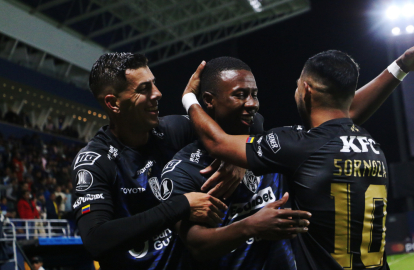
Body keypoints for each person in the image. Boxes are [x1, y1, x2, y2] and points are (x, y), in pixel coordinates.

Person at [181, 40, 414, 269]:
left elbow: (217, 142)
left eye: (297, 86)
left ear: (305, 91)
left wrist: (189, 99)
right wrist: (401, 66)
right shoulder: (370, 144)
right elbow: (342, 115)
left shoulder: (298, 146)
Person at [73, 53, 307, 270]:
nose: (157, 93)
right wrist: (181, 205)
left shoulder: (171, 130)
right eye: (144, 89)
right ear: (113, 103)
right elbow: (96, 239)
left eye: (154, 83)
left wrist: (238, 157)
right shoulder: (94, 162)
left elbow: (245, 119)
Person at [161, 57, 310, 269]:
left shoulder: (271, 147)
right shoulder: (183, 170)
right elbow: (197, 245)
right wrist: (251, 226)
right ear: (209, 100)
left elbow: (336, 122)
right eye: (240, 95)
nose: (252, 104)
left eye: (254, 95)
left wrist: (242, 158)